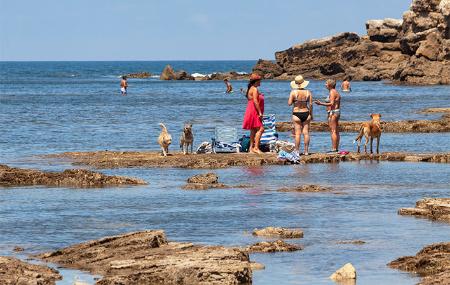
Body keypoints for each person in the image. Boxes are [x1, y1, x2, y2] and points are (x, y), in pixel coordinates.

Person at [288, 75, 313, 155]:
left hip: (296, 113)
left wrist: (295, 101)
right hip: (306, 112)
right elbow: (311, 104)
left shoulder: (293, 92)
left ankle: (297, 151)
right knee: (306, 133)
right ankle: (306, 151)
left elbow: (289, 103)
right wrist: (311, 114)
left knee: (297, 133)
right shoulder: (308, 92)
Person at [315, 79, 341, 153]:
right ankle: (336, 148)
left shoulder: (332, 92)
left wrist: (320, 104)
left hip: (333, 112)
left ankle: (334, 149)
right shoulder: (334, 91)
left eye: (326, 83)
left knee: (333, 131)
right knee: (336, 131)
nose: (325, 85)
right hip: (335, 112)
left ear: (330, 84)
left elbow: (332, 103)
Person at [242, 73, 265, 154]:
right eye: (259, 81)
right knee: (261, 129)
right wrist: (260, 112)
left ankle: (250, 148)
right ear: (256, 81)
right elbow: (255, 101)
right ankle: (256, 147)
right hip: (254, 110)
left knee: (253, 130)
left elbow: (252, 98)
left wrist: (260, 95)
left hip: (250, 110)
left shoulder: (251, 88)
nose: (260, 82)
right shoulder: (254, 89)